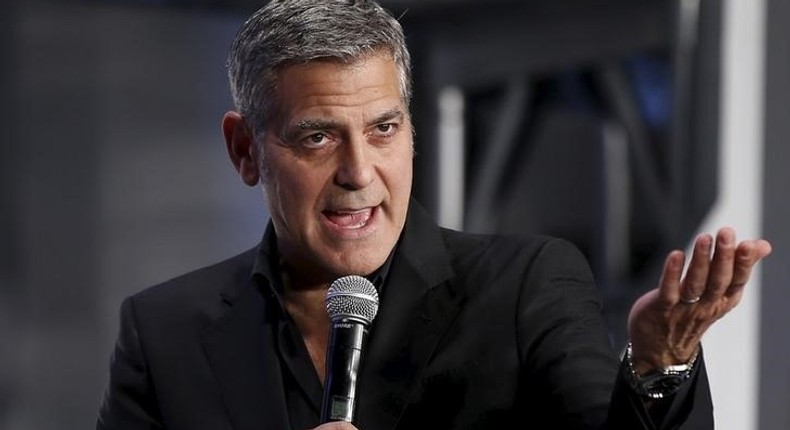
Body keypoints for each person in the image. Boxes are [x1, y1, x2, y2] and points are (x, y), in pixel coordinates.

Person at [96, 0, 773, 429]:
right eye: (317, 136)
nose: (360, 172)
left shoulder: (523, 286)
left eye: (384, 128)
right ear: (247, 150)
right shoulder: (164, 333)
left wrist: (662, 364)